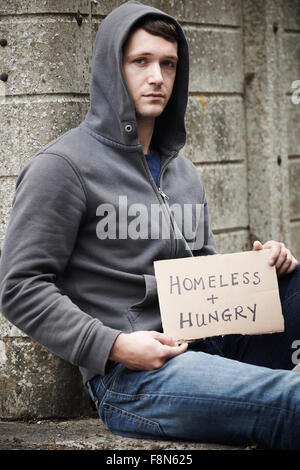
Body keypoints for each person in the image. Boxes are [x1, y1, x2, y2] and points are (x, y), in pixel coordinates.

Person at [0, 1, 300, 450]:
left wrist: (260, 271)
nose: (157, 76)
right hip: (133, 376)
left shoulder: (185, 174)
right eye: (140, 61)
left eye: (168, 64)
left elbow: (205, 270)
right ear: (111, 68)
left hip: (207, 340)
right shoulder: (63, 167)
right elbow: (19, 287)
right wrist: (115, 346)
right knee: (290, 401)